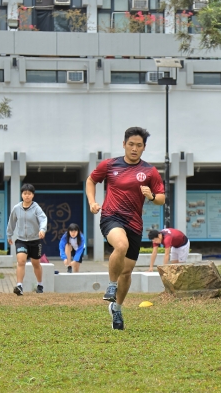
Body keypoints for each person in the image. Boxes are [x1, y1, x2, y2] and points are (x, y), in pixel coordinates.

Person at [86, 126, 165, 330]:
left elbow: (161, 198)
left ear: (144, 148)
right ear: (124, 144)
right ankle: (111, 286)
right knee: (120, 245)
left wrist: (152, 197)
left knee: (127, 273)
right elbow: (91, 180)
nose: (134, 148)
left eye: (139, 145)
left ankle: (117, 309)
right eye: (131, 144)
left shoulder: (149, 171)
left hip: (134, 223)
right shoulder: (110, 165)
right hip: (111, 217)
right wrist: (92, 202)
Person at [7, 183, 47, 296]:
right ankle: (19, 286)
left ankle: (40, 284)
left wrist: (42, 230)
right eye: (25, 193)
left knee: (36, 263)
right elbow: (12, 222)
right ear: (22, 195)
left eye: (29, 194)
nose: (27, 196)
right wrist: (9, 235)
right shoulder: (16, 208)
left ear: (33, 195)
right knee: (21, 261)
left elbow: (43, 219)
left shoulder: (36, 208)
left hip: (35, 240)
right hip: (21, 240)